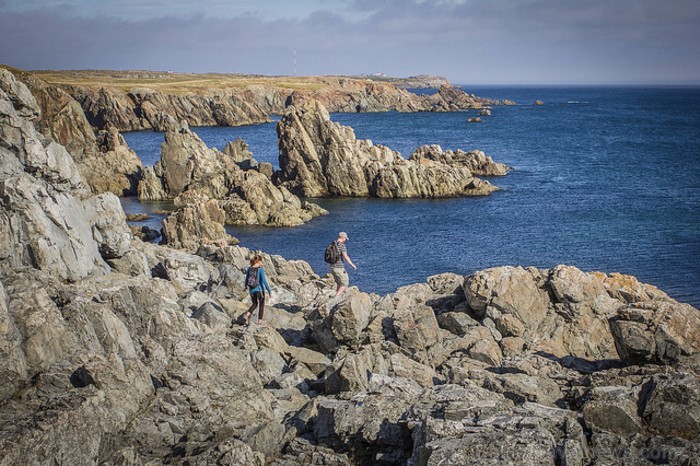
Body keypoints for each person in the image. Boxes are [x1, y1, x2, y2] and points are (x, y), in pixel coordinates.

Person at [243, 254, 271, 326]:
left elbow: (246, 279)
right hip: (260, 290)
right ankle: (259, 323)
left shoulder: (249, 268)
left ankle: (247, 315)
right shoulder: (260, 269)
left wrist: (246, 286)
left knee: (255, 304)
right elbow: (264, 281)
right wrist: (269, 290)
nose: (261, 263)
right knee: (261, 305)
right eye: (261, 261)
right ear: (258, 261)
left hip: (251, 290)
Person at [330, 231, 357, 297]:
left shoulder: (332, 245)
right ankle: (336, 298)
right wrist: (352, 265)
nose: (345, 240)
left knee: (339, 284)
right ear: (343, 237)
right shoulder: (342, 245)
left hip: (332, 267)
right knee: (345, 283)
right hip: (339, 267)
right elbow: (346, 257)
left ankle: (337, 296)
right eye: (345, 239)